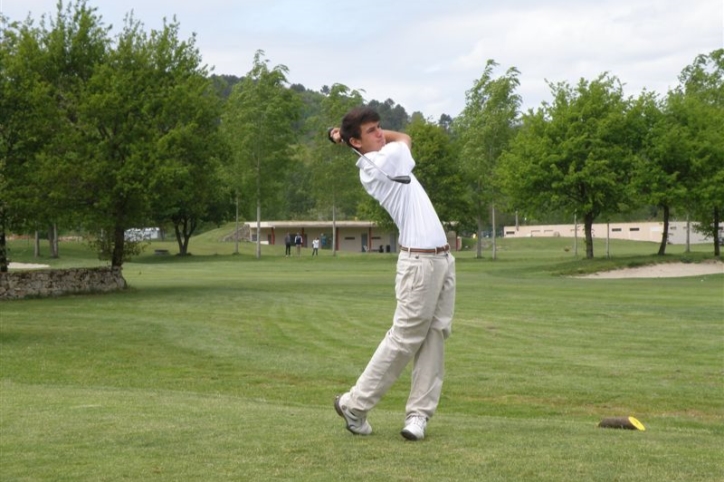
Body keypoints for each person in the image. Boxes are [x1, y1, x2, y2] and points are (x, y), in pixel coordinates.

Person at [328, 107, 456, 441]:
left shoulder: (379, 155)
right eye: (371, 131)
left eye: (379, 127)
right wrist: (352, 140)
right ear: (357, 141)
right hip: (419, 263)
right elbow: (405, 138)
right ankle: (355, 405)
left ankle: (418, 416)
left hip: (441, 259)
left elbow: (391, 140)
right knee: (405, 339)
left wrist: (351, 139)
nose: (381, 133)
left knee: (434, 336)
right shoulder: (383, 163)